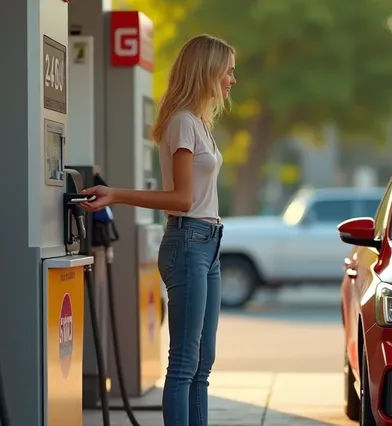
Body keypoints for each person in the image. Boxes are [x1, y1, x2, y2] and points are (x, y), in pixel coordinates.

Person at [79, 34, 236, 426]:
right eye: (228, 71)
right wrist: (115, 194)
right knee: (185, 361)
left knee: (203, 361)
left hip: (209, 243)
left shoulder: (200, 122)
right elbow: (182, 198)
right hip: (188, 241)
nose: (232, 80)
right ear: (208, 70)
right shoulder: (183, 123)